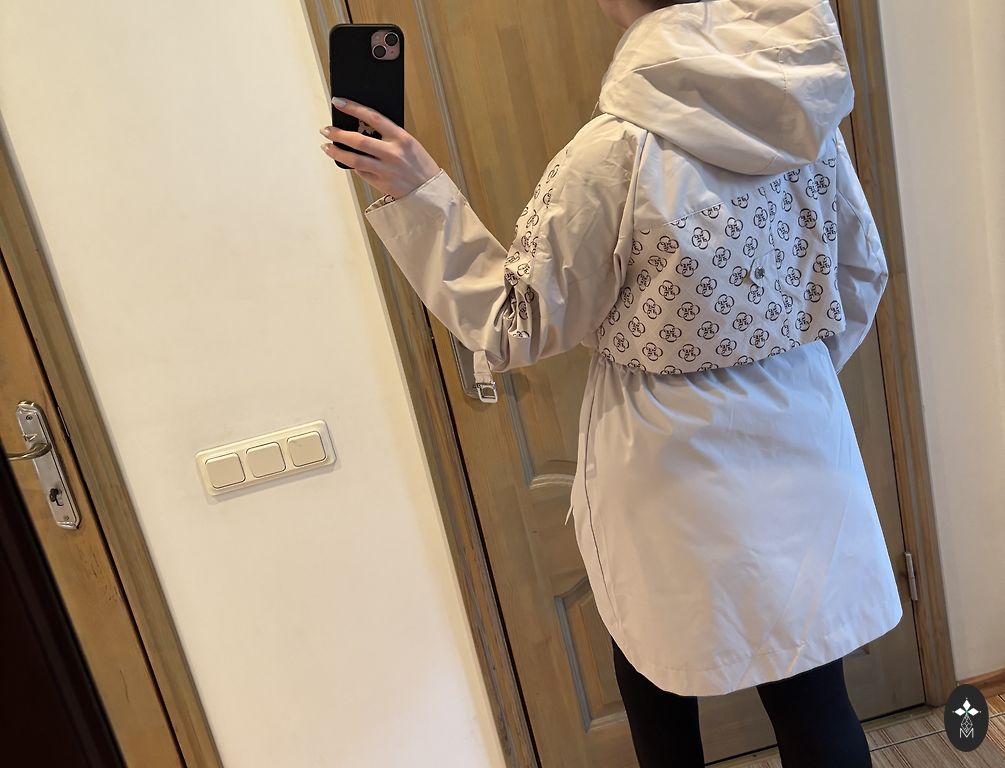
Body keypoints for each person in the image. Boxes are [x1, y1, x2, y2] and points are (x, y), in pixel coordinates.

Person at [319, 0, 901, 765]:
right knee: (808, 685)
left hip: (666, 458)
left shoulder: (613, 151)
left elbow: (513, 322)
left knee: (656, 675)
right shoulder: (802, 122)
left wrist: (420, 191)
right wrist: (781, 368)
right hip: (801, 428)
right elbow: (859, 274)